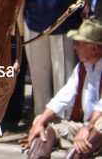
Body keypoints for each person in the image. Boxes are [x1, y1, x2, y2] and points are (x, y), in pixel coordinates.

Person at [27, 19, 102, 158]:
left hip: (95, 129)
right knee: (42, 122)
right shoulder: (82, 68)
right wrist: (41, 122)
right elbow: (62, 98)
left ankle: (78, 154)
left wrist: (87, 128)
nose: (75, 47)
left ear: (93, 48)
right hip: (86, 128)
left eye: (79, 43)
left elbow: (101, 107)